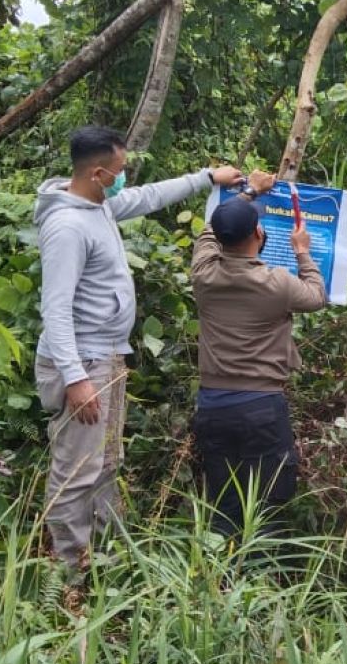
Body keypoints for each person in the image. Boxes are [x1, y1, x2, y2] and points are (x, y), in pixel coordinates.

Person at [34, 125, 242, 571]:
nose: (125, 177)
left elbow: (148, 197)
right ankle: (67, 575)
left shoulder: (99, 204)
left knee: (106, 460)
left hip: (105, 357)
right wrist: (76, 379)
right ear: (97, 172)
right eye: (120, 170)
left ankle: (102, 558)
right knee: (77, 470)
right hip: (85, 363)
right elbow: (55, 309)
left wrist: (208, 177)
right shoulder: (68, 226)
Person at [190, 171, 328, 539]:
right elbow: (316, 296)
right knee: (268, 498)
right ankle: (258, 576)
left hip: (213, 405)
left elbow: (209, 230)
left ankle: (217, 577)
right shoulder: (276, 282)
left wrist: (250, 191)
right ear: (258, 234)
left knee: (222, 497)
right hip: (261, 407)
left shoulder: (203, 273)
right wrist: (302, 251)